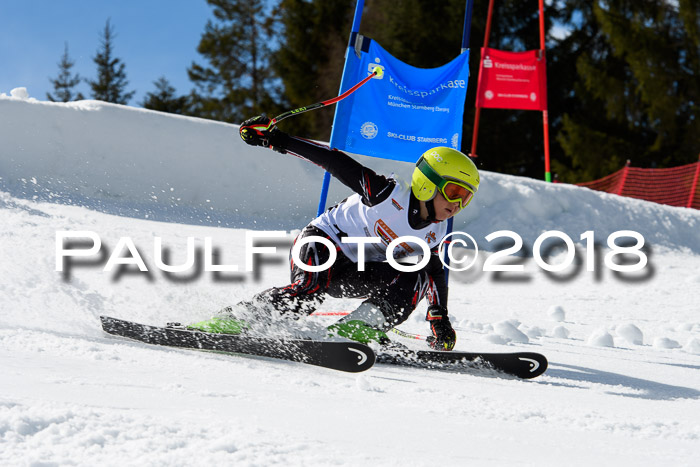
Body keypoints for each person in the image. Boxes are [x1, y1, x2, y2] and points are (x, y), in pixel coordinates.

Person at [189, 116, 480, 350]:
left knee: (416, 274)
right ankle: (232, 321)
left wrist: (439, 318)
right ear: (428, 183)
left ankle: (357, 328)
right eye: (454, 192)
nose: (457, 205)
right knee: (309, 295)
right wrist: (275, 140)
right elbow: (334, 162)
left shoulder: (435, 231)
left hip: (354, 270)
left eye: (465, 198)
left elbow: (434, 272)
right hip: (321, 242)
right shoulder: (386, 194)